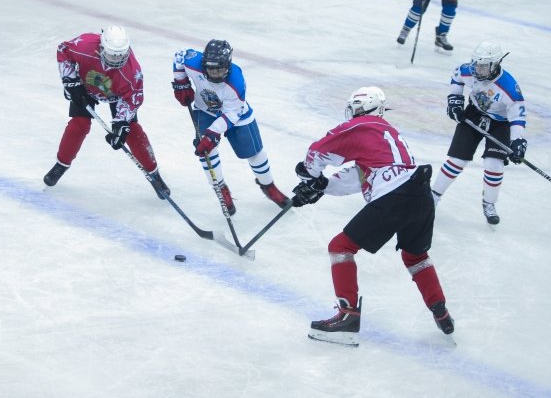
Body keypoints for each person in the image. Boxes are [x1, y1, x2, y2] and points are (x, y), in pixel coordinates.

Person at [290, 87, 453, 347]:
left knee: (340, 247)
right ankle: (440, 310)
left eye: (355, 110)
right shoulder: (385, 134)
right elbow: (361, 176)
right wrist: (322, 187)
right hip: (421, 196)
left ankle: (348, 317)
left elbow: (318, 150)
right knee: (416, 257)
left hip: (395, 197)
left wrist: (309, 175)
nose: (352, 115)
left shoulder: (362, 125)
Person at [43, 26, 170, 200]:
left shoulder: (133, 72)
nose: (117, 60)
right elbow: (63, 51)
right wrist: (71, 81)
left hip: (117, 95)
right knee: (79, 124)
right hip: (85, 86)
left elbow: (131, 99)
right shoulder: (85, 45)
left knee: (132, 131)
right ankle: (61, 165)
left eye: (120, 56)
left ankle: (154, 174)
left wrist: (121, 124)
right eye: (112, 55)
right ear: (101, 48)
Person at [171, 39, 289, 215]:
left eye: (220, 69)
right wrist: (181, 83)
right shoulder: (192, 62)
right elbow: (179, 56)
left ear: (228, 65)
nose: (215, 74)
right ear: (204, 64)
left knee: (254, 153)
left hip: (236, 115)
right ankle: (221, 189)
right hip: (205, 110)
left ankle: (268, 186)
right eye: (211, 69)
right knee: (206, 151)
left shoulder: (236, 81)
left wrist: (213, 133)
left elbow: (231, 114)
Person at [431, 41, 527, 226]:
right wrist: (455, 100)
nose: (477, 70)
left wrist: (517, 141)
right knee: (456, 161)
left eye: (483, 66)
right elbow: (457, 77)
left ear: (495, 64)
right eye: (476, 64)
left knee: (494, 164)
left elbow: (517, 116)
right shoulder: (470, 70)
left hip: (501, 124)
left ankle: (489, 203)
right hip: (473, 114)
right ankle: (433, 196)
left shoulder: (509, 87)